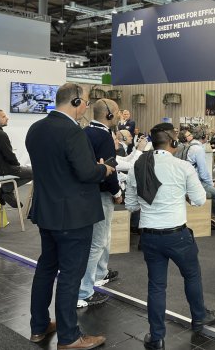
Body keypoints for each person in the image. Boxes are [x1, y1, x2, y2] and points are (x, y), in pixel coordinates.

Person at [25, 83, 114, 349]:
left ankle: (39, 326)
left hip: (47, 212)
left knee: (46, 269)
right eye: (85, 102)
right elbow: (86, 173)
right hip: (73, 216)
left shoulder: (35, 129)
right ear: (76, 102)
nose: (86, 107)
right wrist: (104, 170)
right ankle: (69, 337)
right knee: (70, 276)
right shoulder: (72, 132)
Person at [125, 124, 215, 349]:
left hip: (149, 237)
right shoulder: (182, 166)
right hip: (177, 236)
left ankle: (156, 337)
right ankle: (199, 318)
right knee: (192, 275)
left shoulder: (137, 166)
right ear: (173, 141)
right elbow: (199, 200)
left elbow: (131, 205)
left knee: (156, 286)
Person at [77, 99, 123, 309]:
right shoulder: (103, 136)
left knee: (102, 238)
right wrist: (117, 191)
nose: (120, 115)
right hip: (101, 194)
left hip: (87, 193)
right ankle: (84, 291)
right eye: (117, 112)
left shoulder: (85, 132)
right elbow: (109, 169)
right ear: (109, 114)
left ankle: (100, 273)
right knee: (97, 242)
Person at [179, 126, 215, 230]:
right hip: (194, 183)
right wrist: (212, 184)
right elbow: (203, 173)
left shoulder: (190, 146)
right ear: (203, 136)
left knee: (213, 189)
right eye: (207, 135)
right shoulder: (198, 149)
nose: (208, 137)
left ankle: (212, 215)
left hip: (187, 181)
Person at [0, 109, 33, 207]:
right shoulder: (0, 134)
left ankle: (5, 191)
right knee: (34, 172)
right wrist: (17, 166)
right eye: (3, 116)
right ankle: (5, 190)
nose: (7, 118)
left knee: (23, 170)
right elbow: (9, 155)